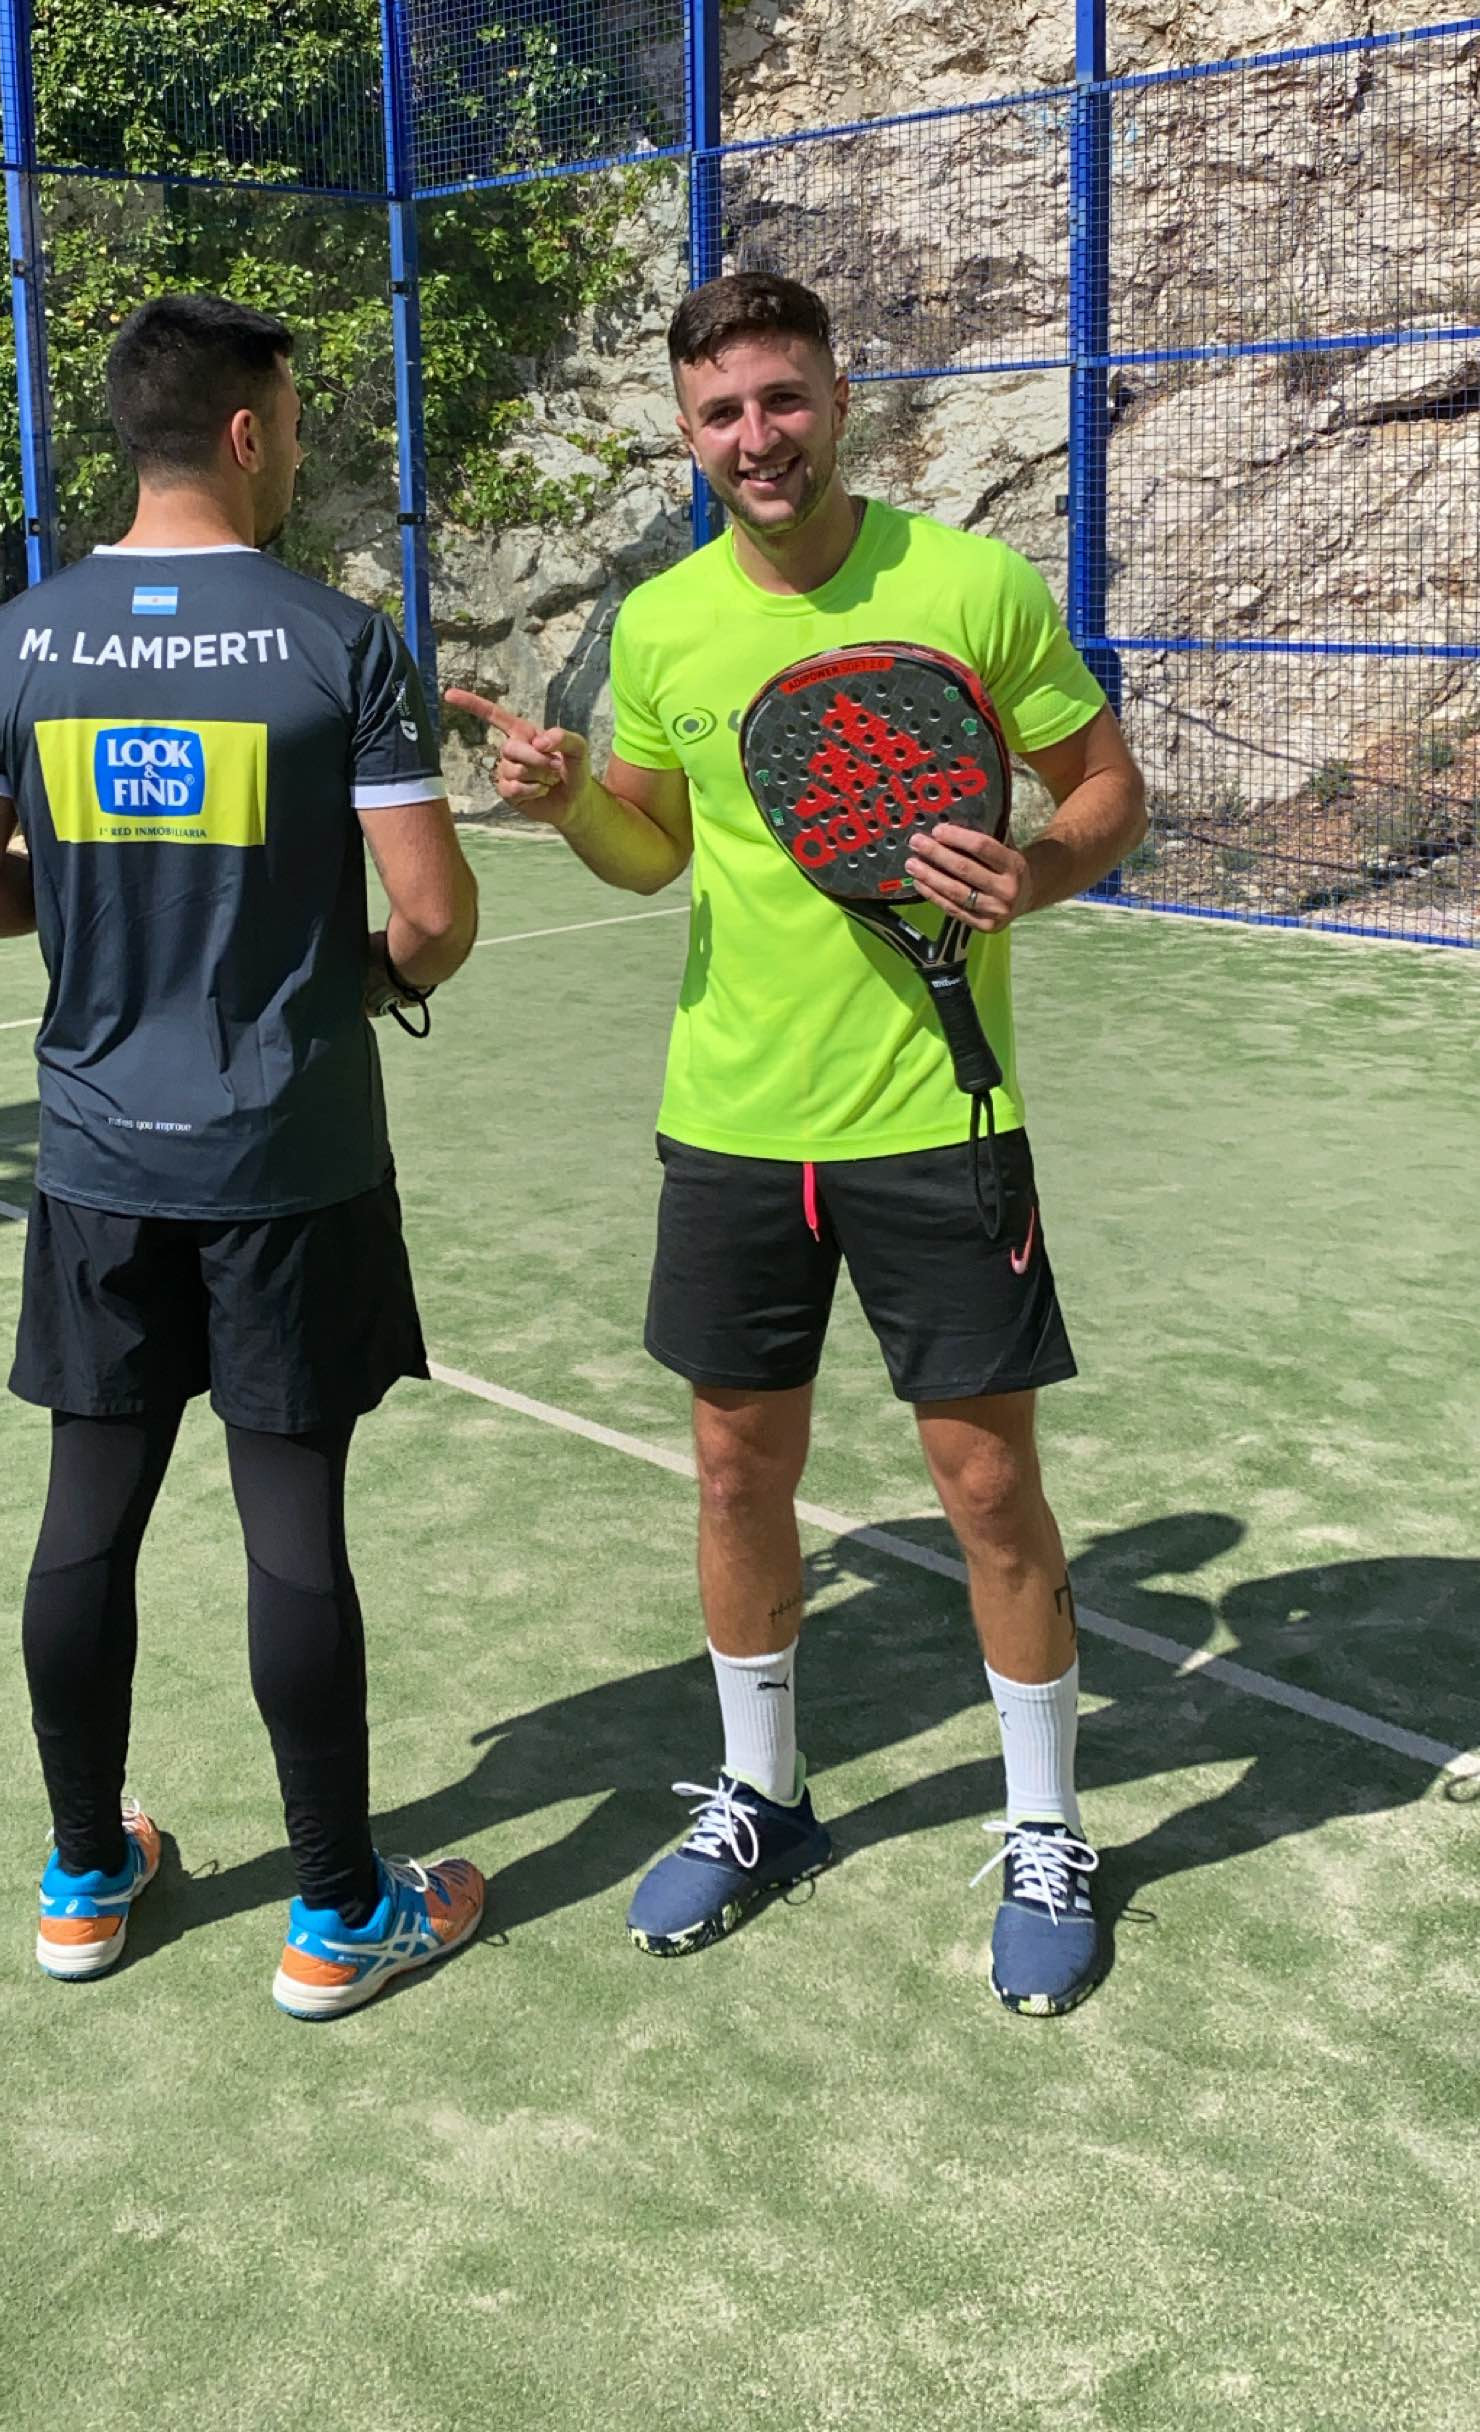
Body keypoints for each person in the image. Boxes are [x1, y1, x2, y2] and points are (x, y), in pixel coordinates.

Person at [448, 272, 1147, 2016]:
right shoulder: (667, 628)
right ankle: (763, 1797)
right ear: (688, 436)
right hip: (734, 1124)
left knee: (987, 1488)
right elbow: (654, 852)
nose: (755, 438)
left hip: (937, 1118)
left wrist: (1039, 869)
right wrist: (569, 806)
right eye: (720, 414)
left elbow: (1106, 790)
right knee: (734, 1476)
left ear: (839, 399)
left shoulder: (969, 586)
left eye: (780, 399)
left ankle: (1046, 1826)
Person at [0, 290, 486, 2019]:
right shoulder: (338, 642)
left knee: (87, 1512)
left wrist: (103, 906)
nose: (295, 451)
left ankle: (86, 1877)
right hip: (288, 1159)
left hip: (100, 1158)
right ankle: (337, 1912)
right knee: (290, 1523)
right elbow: (435, 919)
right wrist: (358, 975)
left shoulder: (13, 644)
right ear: (245, 432)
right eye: (293, 425)